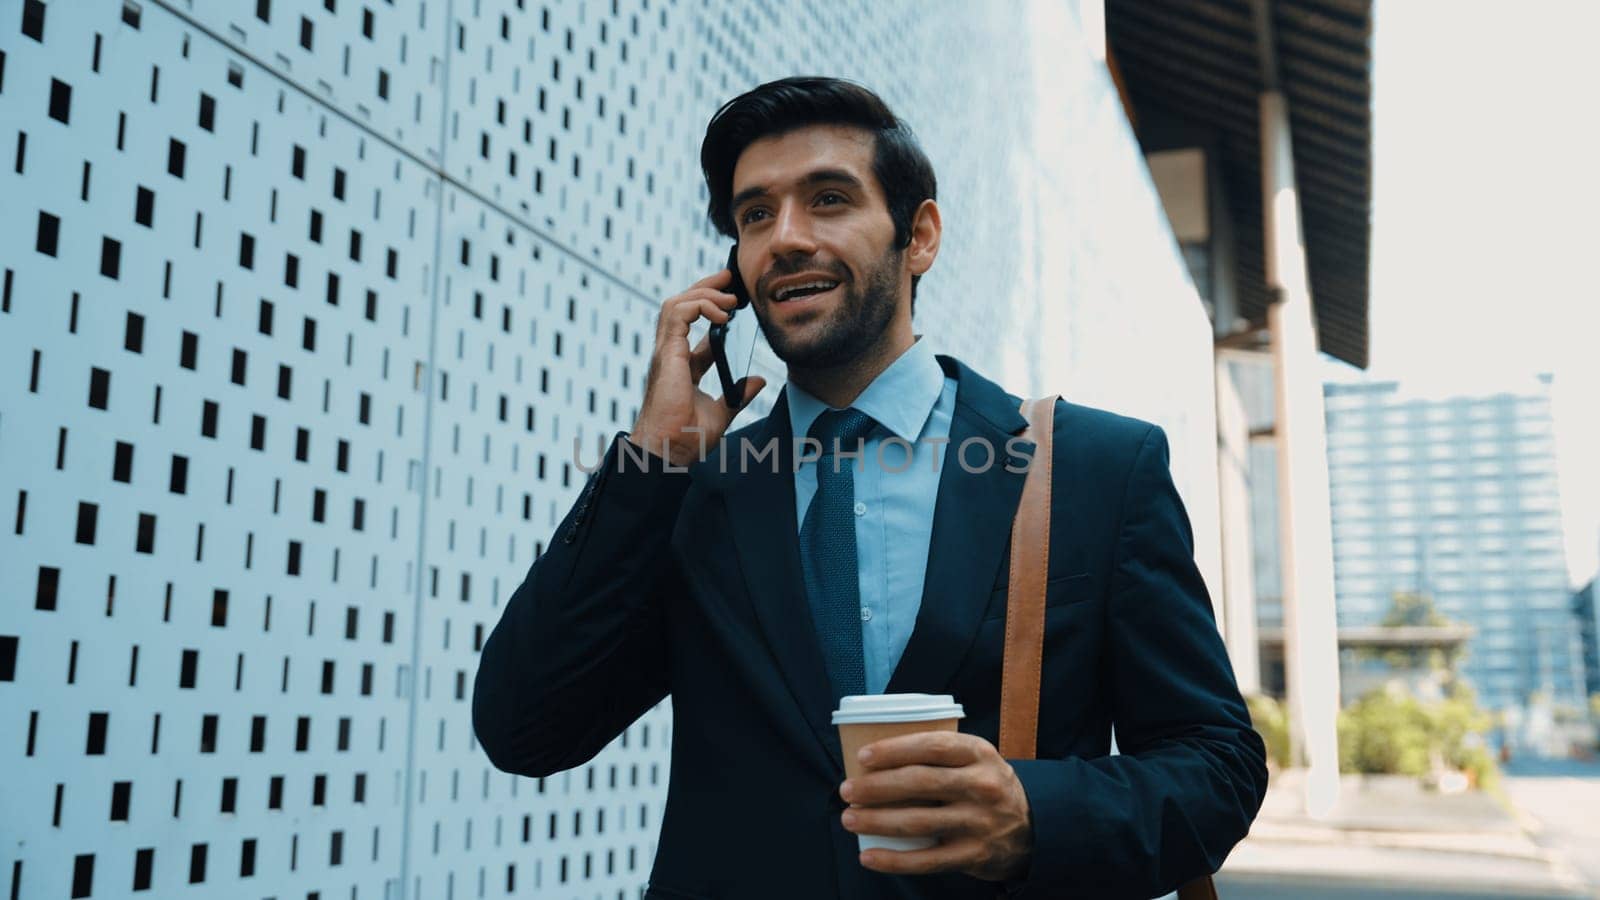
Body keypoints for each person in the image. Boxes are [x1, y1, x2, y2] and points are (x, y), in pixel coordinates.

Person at [472, 76, 1267, 899]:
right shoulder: (695, 495)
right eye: (755, 215)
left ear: (918, 236)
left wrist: (1037, 813)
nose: (785, 238)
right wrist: (651, 463)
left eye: (827, 199)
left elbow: (1217, 763)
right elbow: (524, 729)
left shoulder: (1097, 468)